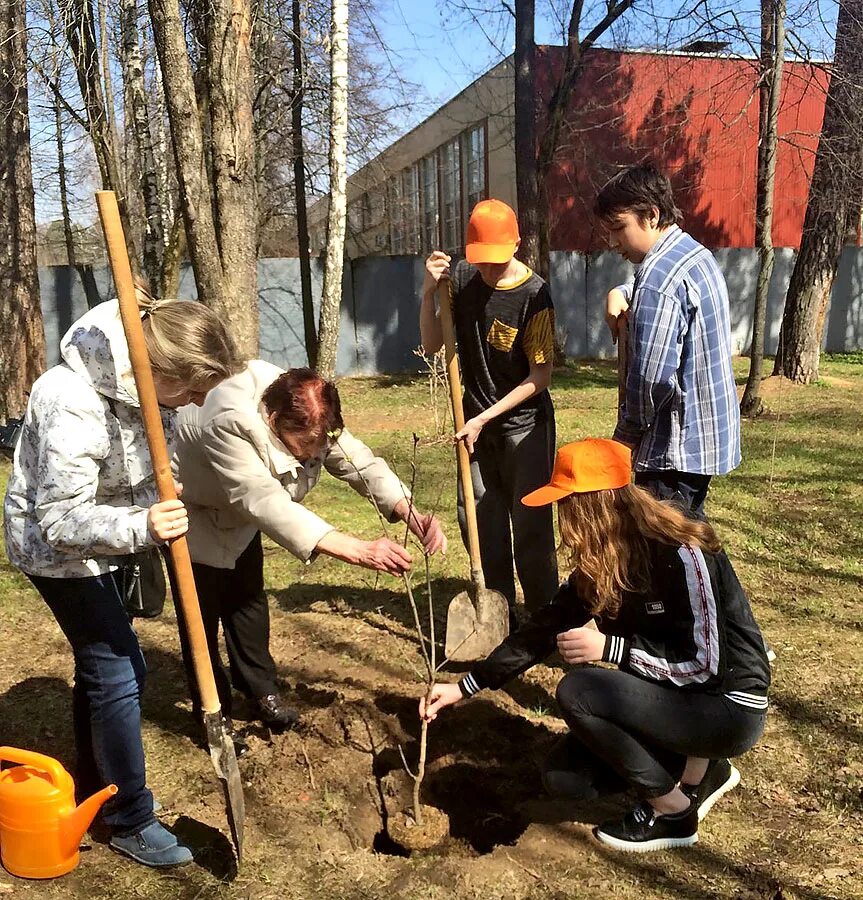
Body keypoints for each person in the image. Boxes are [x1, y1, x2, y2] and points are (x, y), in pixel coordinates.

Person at [420, 438, 769, 853]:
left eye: (566, 506)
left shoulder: (682, 550)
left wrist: (611, 649)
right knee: (566, 779)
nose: (562, 522)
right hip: (677, 699)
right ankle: (702, 771)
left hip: (728, 708)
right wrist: (463, 687)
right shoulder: (602, 561)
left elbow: (706, 665)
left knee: (579, 689)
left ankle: (673, 812)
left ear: (594, 506)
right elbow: (540, 631)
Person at [3, 291, 240, 867]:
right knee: (117, 668)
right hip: (56, 551)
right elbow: (59, 519)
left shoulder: (139, 380)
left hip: (106, 539)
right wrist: (144, 523)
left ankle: (96, 787)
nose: (196, 401)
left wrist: (149, 497)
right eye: (191, 390)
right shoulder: (72, 400)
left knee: (103, 664)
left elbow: (129, 458)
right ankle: (129, 817)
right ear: (155, 370)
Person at [172, 360, 447, 730]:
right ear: (272, 420)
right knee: (200, 614)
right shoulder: (229, 419)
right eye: (305, 446)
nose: (311, 455)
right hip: (194, 509)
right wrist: (360, 549)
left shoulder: (311, 410)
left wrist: (410, 512)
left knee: (247, 602)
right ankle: (211, 708)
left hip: (242, 517)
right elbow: (263, 501)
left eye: (320, 444)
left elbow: (357, 461)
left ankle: (260, 691)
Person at [419, 199, 558, 626]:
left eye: (496, 263)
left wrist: (484, 417)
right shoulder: (461, 278)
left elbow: (540, 377)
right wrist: (428, 292)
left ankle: (542, 617)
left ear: (516, 245)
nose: (488, 271)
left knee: (530, 526)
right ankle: (499, 612)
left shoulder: (535, 297)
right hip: (475, 428)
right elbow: (431, 345)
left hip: (524, 427)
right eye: (481, 262)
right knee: (480, 519)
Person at [595, 162, 741, 518]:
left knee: (671, 556)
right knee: (691, 540)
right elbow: (668, 294)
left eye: (619, 228)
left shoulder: (658, 279)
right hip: (703, 441)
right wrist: (622, 290)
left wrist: (625, 436)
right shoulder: (691, 254)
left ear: (651, 215)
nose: (613, 242)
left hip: (673, 450)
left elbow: (652, 379)